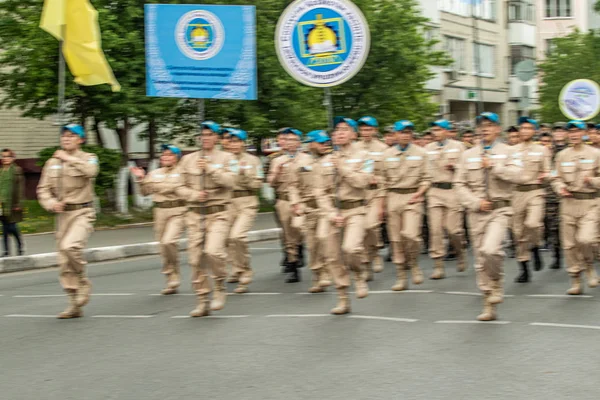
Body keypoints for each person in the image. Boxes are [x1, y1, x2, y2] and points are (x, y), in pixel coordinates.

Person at [454, 112, 520, 321]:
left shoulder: (510, 151)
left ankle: (497, 283)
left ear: (498, 129)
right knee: (480, 259)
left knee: (490, 249)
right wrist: (474, 202)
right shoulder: (467, 154)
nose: (485, 129)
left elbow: (519, 175)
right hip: (476, 212)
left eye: (490, 125)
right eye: (481, 125)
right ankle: (488, 302)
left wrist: (495, 167)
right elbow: (459, 183)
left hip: (500, 210)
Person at [37, 124, 99, 319]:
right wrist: (50, 203)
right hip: (62, 215)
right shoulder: (52, 163)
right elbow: (43, 189)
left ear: (81, 139)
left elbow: (91, 171)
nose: (66, 139)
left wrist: (68, 158)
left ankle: (82, 281)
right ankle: (73, 303)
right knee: (64, 261)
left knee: (70, 246)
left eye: (72, 136)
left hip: (82, 211)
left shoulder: (88, 158)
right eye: (64, 135)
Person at [177, 121, 236, 317]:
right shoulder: (187, 160)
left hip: (219, 212)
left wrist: (210, 168)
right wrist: (194, 195)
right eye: (202, 134)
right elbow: (178, 187)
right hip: (195, 213)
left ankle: (219, 284)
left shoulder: (228, 157)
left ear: (217, 138)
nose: (205, 138)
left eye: (210, 134)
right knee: (195, 260)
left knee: (213, 251)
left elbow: (231, 182)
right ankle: (202, 299)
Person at [321, 116, 372, 314]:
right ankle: (343, 298)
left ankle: (359, 274)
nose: (339, 133)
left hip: (355, 209)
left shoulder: (365, 157)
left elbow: (362, 182)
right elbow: (320, 192)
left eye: (344, 129)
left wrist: (341, 167)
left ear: (353, 134)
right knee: (332, 256)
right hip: (333, 213)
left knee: (350, 248)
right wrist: (331, 212)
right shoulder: (325, 161)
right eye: (336, 130)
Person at [552, 120, 600, 295]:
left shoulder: (595, 153)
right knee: (569, 245)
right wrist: (559, 188)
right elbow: (555, 177)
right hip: (568, 203)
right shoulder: (562, 155)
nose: (573, 134)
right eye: (570, 131)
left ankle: (589, 266)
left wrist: (592, 181)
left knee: (586, 239)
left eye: (577, 131)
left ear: (584, 133)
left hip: (590, 203)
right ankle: (576, 279)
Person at [382, 120, 431, 291]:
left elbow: (426, 178)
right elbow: (382, 182)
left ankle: (414, 263)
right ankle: (401, 276)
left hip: (413, 196)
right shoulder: (386, 154)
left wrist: (420, 192)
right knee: (396, 240)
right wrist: (382, 205)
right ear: (395, 134)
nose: (405, 135)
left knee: (410, 234)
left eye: (408, 132)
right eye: (402, 132)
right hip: (393, 197)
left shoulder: (422, 153)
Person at [131, 144, 186, 295]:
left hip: (178, 211)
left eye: (169, 155)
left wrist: (162, 187)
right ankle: (171, 278)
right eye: (163, 154)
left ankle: (175, 272)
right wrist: (141, 179)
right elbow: (144, 192)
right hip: (160, 211)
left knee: (169, 241)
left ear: (177, 157)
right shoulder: (155, 173)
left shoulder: (184, 172)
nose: (165, 157)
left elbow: (177, 189)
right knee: (163, 246)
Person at [289, 130, 332, 293]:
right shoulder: (299, 162)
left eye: (326, 142)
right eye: (321, 143)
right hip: (308, 208)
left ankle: (326, 271)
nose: (324, 145)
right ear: (311, 143)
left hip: (326, 208)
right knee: (312, 245)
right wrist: (295, 203)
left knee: (323, 238)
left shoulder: (332, 160)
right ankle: (317, 275)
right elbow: (293, 185)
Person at [511, 117, 551, 283]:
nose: (525, 131)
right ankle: (524, 268)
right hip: (516, 193)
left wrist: (546, 176)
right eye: (522, 128)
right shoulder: (511, 151)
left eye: (528, 128)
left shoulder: (542, 150)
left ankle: (535, 246)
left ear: (534, 131)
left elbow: (548, 171)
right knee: (518, 233)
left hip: (535, 191)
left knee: (533, 224)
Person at [268, 128, 311, 283]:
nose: (290, 143)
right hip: (284, 201)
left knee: (299, 229)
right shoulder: (277, 160)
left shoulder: (307, 159)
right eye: (287, 140)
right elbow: (270, 183)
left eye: (293, 140)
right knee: (288, 235)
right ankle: (293, 267)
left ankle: (300, 247)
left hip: (302, 200)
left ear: (299, 143)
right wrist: (276, 173)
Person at [425, 119, 466, 280]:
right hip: (434, 190)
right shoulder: (427, 148)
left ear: (447, 131)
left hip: (452, 190)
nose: (435, 133)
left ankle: (460, 252)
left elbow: (466, 167)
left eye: (439, 130)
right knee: (435, 230)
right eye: (433, 130)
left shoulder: (458, 146)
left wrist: (455, 167)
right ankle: (438, 266)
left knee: (452, 229)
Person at [225, 129, 264, 293]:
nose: (233, 144)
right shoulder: (223, 160)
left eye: (237, 141)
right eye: (230, 141)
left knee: (237, 236)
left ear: (243, 143)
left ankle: (245, 271)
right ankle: (236, 268)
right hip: (227, 202)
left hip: (246, 202)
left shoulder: (253, 160)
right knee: (226, 239)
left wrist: (243, 175)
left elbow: (257, 184)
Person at [356, 116, 388, 278]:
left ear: (375, 130)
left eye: (369, 129)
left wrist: (383, 202)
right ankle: (365, 263)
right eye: (362, 129)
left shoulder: (383, 149)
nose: (365, 132)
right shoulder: (354, 148)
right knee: (360, 230)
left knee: (370, 226)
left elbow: (386, 174)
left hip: (376, 192)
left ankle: (375, 251)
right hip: (358, 194)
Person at [0, 149, 24, 257]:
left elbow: (20, 188)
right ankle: (6, 251)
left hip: (12, 203)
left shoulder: (16, 170)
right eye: (3, 156)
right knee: (4, 228)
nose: (5, 159)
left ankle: (20, 246)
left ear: (12, 158)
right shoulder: (1, 171)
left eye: (8, 156)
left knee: (12, 227)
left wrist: (18, 203)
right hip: (2, 204)